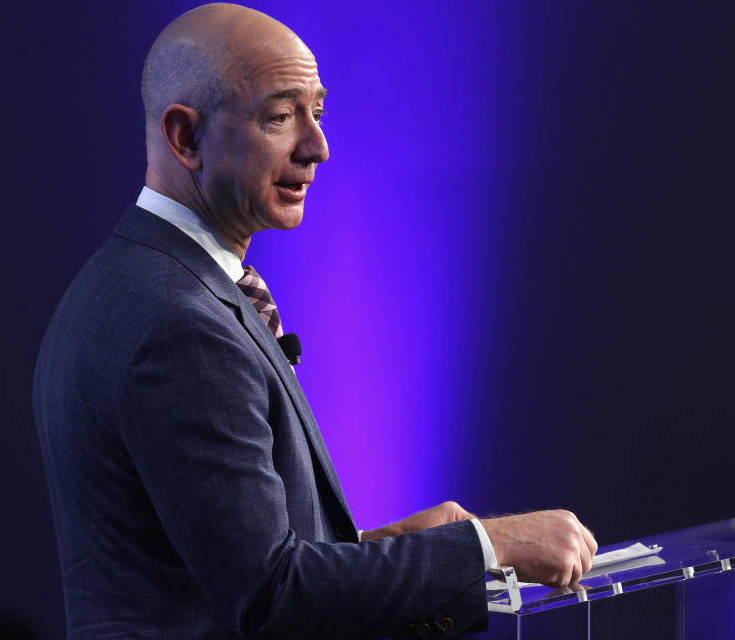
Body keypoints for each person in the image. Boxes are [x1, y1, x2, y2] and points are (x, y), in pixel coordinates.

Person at [32, 3, 597, 638]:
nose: (317, 148)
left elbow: (221, 571)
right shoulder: (178, 324)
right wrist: (492, 545)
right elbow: (274, 598)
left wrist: (379, 545)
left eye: (317, 113)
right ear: (185, 137)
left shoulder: (134, 280)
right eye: (279, 117)